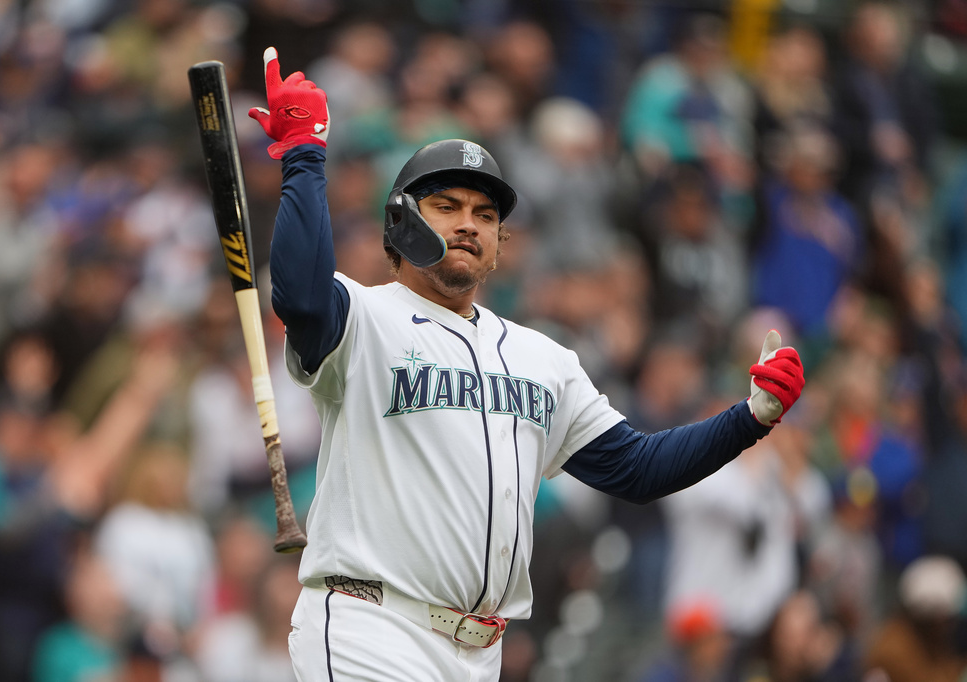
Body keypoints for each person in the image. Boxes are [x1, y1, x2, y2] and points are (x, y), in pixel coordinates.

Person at [247, 46, 806, 681]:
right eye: (447, 205)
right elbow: (299, 294)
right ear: (400, 221)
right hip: (370, 627)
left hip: (479, 653)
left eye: (486, 215)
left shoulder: (544, 358)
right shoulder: (363, 318)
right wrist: (305, 156)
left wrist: (751, 416)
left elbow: (638, 467)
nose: (469, 224)